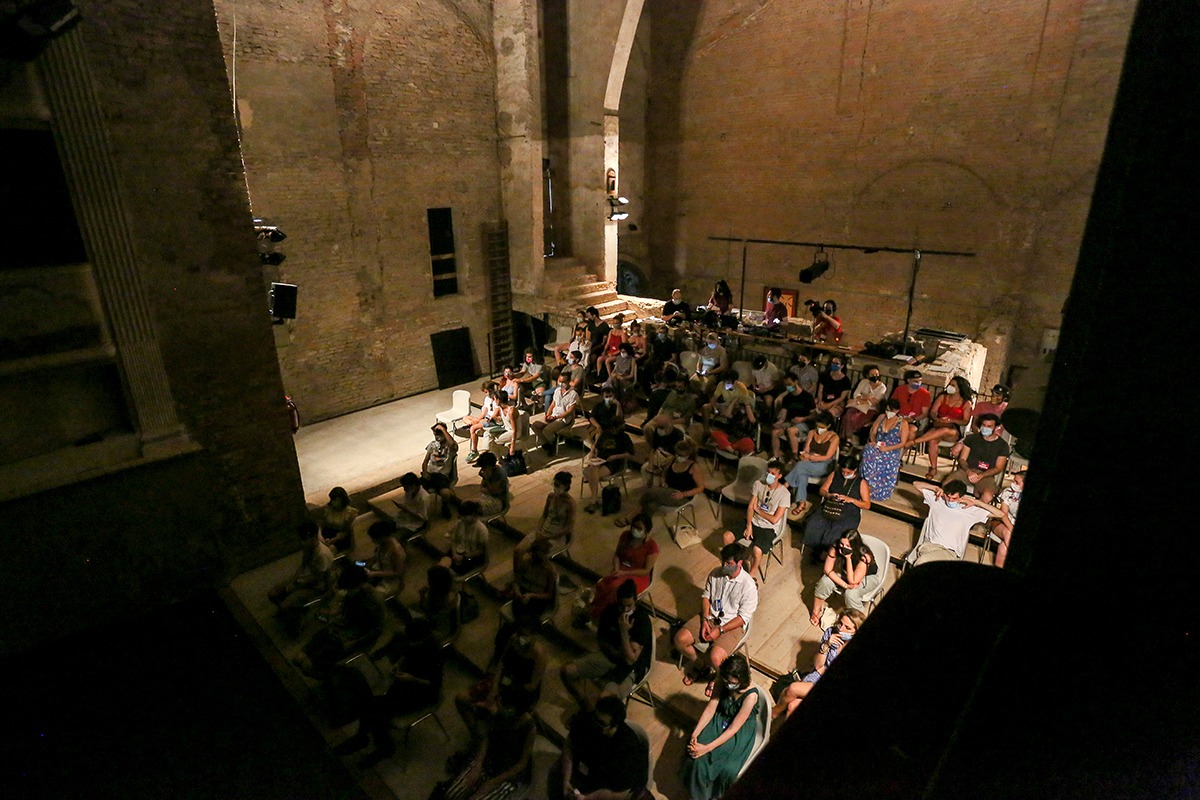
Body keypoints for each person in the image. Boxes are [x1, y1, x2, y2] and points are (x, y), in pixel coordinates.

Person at [333, 617, 445, 766]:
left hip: (422, 693)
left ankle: (374, 743)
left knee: (378, 711)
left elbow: (434, 684)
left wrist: (412, 678)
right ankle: (370, 741)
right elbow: (407, 654)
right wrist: (398, 664)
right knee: (374, 706)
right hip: (405, 686)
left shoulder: (435, 653)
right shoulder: (414, 642)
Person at [673, 543, 758, 688]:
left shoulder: (748, 586)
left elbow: (743, 618)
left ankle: (718, 676)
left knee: (716, 658)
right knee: (679, 639)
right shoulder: (715, 573)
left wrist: (720, 630)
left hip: (732, 625)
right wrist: (705, 620)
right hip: (711, 616)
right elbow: (706, 597)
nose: (724, 565)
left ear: (739, 563)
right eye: (723, 561)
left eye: (729, 563)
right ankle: (700, 665)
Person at [564, 579, 654, 710]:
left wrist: (623, 630)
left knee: (604, 700)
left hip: (632, 668)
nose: (625, 609)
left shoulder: (641, 620)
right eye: (622, 605)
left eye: (629, 606)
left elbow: (630, 660)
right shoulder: (610, 611)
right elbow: (601, 639)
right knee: (567, 671)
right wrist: (613, 652)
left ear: (635, 601)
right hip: (610, 656)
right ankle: (586, 707)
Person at [684, 653, 761, 800]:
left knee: (726, 769)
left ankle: (715, 794)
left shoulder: (751, 696)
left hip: (738, 730)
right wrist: (696, 732)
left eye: (731, 682)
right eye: (726, 681)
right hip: (721, 717)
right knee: (696, 754)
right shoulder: (722, 681)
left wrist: (707, 748)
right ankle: (699, 794)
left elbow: (733, 728)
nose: (728, 685)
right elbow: (711, 708)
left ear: (741, 679)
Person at [457, 617, 546, 738]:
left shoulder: (538, 655)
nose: (519, 637)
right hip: (503, 682)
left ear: (534, 634)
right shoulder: (514, 639)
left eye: (523, 634)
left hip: (520, 693)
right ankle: (478, 735)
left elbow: (532, 686)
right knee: (462, 698)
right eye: (519, 633)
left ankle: (489, 741)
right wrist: (494, 686)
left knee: (498, 717)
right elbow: (502, 663)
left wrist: (504, 688)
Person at [293, 564, 385, 680]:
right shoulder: (354, 591)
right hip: (337, 628)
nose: (347, 591)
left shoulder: (375, 603)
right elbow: (345, 607)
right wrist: (331, 613)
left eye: (349, 589)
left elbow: (376, 631)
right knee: (297, 659)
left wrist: (353, 643)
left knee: (307, 667)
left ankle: (332, 678)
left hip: (349, 638)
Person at [552, 695, 650, 800]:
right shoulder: (588, 720)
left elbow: (620, 792)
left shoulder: (628, 749)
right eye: (595, 718)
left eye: (601, 723)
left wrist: (586, 798)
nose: (594, 724)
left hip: (613, 787)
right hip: (592, 772)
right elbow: (569, 745)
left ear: (614, 726)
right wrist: (566, 780)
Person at [772, 610, 864, 720]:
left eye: (847, 628)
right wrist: (826, 645)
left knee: (793, 689)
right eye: (841, 623)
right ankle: (774, 715)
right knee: (792, 706)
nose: (841, 629)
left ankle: (773, 713)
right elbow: (818, 665)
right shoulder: (831, 633)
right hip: (819, 675)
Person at [441, 702, 537, 800]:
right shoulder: (501, 713)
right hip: (488, 763)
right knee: (451, 794)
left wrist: (492, 783)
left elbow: (522, 764)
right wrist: (477, 766)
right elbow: (486, 739)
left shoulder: (529, 728)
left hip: (506, 775)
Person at [907, 479, 1004, 565]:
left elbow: (1000, 514)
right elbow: (916, 484)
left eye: (954, 498)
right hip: (928, 546)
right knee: (924, 560)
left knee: (923, 562)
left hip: (949, 552)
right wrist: (935, 488)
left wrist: (977, 503)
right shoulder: (937, 500)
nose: (950, 500)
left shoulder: (970, 510)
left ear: (962, 497)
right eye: (948, 497)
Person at [616, 438, 705, 525]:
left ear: (689, 454)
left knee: (651, 491)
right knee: (651, 505)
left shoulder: (694, 467)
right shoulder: (673, 460)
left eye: (681, 455)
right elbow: (664, 473)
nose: (678, 456)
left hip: (681, 495)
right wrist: (663, 481)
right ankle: (644, 524)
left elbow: (701, 488)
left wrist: (683, 494)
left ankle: (633, 513)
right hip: (667, 489)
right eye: (677, 454)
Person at [722, 460, 789, 576]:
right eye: (768, 472)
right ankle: (733, 565)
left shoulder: (784, 494)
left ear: (779, 476)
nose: (769, 475)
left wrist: (757, 510)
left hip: (769, 527)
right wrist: (749, 525)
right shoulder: (758, 484)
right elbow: (750, 506)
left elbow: (774, 519)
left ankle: (752, 574)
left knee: (757, 550)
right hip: (753, 521)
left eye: (773, 473)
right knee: (727, 537)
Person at [587, 515, 660, 620]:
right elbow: (617, 555)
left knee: (614, 589)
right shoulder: (625, 536)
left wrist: (625, 573)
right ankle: (595, 608)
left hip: (638, 575)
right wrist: (616, 569)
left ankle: (598, 614)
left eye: (639, 528)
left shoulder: (651, 546)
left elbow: (646, 571)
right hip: (621, 570)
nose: (634, 530)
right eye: (633, 526)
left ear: (646, 531)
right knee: (603, 585)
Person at [804, 453, 872, 562]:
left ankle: (830, 554)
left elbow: (867, 504)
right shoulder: (834, 475)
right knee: (814, 523)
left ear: (854, 470)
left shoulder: (861, 482)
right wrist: (829, 495)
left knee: (837, 531)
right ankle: (817, 550)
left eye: (848, 472)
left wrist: (851, 500)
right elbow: (822, 490)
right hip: (831, 507)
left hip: (849, 512)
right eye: (843, 471)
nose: (845, 474)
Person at [268, 522, 333, 635]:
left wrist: (297, 583)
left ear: (313, 537)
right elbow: (303, 565)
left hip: (316, 586)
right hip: (304, 579)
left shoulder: (322, 555)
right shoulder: (308, 546)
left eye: (304, 538)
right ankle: (291, 613)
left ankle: (297, 620)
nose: (301, 541)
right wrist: (293, 580)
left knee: (285, 605)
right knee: (272, 594)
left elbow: (319, 578)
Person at [494, 538, 557, 655]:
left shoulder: (550, 571)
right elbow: (516, 581)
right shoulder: (527, 563)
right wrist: (517, 591)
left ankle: (509, 648)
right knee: (517, 622)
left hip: (537, 600)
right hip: (522, 596)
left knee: (518, 623)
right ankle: (504, 649)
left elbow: (549, 595)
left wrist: (532, 595)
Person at [911, 375, 975, 478]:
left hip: (953, 429)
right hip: (938, 425)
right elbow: (932, 412)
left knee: (945, 430)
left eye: (953, 385)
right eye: (950, 384)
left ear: (959, 388)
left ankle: (915, 441)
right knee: (933, 441)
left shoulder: (966, 403)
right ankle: (933, 468)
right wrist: (937, 419)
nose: (950, 386)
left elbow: (965, 421)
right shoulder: (943, 397)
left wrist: (952, 420)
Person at [809, 530, 879, 622]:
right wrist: (844, 585)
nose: (843, 548)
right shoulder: (835, 548)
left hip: (867, 578)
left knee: (851, 593)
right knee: (825, 581)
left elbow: (853, 581)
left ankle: (856, 620)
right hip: (844, 572)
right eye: (842, 544)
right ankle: (816, 610)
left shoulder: (865, 556)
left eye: (848, 546)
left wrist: (848, 558)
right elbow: (828, 570)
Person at [944, 413, 1011, 503]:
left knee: (987, 496)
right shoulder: (972, 439)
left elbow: (998, 468)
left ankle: (974, 514)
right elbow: (962, 459)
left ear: (996, 427)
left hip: (986, 474)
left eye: (989, 426)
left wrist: (981, 475)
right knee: (947, 484)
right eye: (984, 425)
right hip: (967, 470)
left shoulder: (1002, 445)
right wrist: (969, 471)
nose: (986, 428)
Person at [784, 411, 840, 515]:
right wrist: (805, 455)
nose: (819, 428)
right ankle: (801, 502)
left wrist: (815, 458)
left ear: (828, 426)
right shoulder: (812, 433)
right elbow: (807, 448)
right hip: (809, 462)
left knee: (800, 466)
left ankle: (785, 487)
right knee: (801, 474)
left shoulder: (834, 437)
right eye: (818, 426)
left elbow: (828, 456)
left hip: (824, 464)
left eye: (822, 426)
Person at [858, 398, 912, 500]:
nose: (888, 413)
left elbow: (903, 443)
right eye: (887, 410)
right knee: (868, 450)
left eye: (891, 411)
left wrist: (887, 448)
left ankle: (878, 489)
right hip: (877, 445)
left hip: (892, 449)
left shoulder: (902, 423)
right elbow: (873, 432)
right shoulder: (881, 417)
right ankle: (868, 484)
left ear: (897, 411)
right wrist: (873, 441)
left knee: (882, 457)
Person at [515, 472, 576, 561]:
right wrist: (538, 530)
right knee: (518, 551)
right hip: (543, 532)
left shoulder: (570, 504)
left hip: (556, 537)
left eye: (558, 485)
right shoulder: (551, 497)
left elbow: (569, 528)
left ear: (565, 486)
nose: (555, 488)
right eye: (554, 484)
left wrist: (548, 537)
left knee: (537, 556)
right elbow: (544, 516)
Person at [582, 427, 636, 514]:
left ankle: (593, 500)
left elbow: (630, 454)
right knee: (593, 469)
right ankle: (593, 500)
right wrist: (592, 452)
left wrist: (616, 457)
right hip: (600, 460)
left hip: (614, 463)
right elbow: (595, 447)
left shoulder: (624, 437)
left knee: (592, 473)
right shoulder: (605, 435)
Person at [770, 375, 817, 460]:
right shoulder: (787, 398)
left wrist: (803, 419)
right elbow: (783, 415)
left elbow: (814, 415)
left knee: (791, 430)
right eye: (786, 385)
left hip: (804, 423)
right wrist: (779, 423)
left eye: (789, 384)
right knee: (775, 432)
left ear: (796, 382)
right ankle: (776, 456)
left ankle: (794, 456)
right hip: (791, 423)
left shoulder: (807, 396)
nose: (788, 387)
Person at [839, 364, 888, 441]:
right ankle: (847, 439)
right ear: (867, 375)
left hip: (871, 409)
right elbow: (856, 395)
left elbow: (874, 401)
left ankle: (848, 440)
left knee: (855, 419)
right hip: (857, 405)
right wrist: (867, 398)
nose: (875, 376)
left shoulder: (882, 387)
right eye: (872, 374)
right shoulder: (863, 382)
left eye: (877, 374)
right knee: (847, 416)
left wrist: (861, 397)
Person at [641, 381, 696, 449]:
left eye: (680, 387)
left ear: (686, 386)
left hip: (677, 421)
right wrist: (658, 417)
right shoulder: (672, 394)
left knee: (674, 432)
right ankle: (653, 447)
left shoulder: (691, 401)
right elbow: (663, 407)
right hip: (664, 417)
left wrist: (670, 422)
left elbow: (685, 419)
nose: (678, 389)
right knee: (647, 428)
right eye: (676, 387)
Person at [441, 501, 489, 576]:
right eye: (461, 516)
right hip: (458, 552)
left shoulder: (481, 529)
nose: (462, 518)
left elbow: (481, 550)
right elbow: (454, 540)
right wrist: (454, 554)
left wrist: (463, 557)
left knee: (449, 573)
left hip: (471, 556)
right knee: (441, 567)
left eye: (464, 516)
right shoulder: (460, 523)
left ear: (473, 514)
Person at [531, 374, 579, 449]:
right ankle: (547, 442)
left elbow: (570, 411)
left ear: (568, 381)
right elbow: (552, 405)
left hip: (563, 419)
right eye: (559, 381)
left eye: (563, 382)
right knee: (535, 425)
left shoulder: (573, 394)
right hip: (553, 416)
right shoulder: (557, 391)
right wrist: (547, 415)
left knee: (547, 430)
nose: (561, 383)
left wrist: (556, 417)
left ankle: (553, 445)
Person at [990, 466, 1025, 568]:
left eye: (1017, 482)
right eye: (1014, 481)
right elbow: (1003, 514)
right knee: (1008, 533)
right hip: (1003, 524)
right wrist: (1011, 527)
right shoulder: (1007, 492)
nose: (1013, 484)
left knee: (1003, 548)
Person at [422, 423, 460, 517]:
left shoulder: (450, 447)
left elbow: (453, 444)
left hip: (442, 475)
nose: (437, 437)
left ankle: (445, 506)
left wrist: (443, 430)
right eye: (435, 434)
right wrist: (425, 472)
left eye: (439, 434)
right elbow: (425, 462)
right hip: (430, 474)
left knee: (445, 493)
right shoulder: (432, 445)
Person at [364, 519, 405, 599]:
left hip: (391, 581)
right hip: (378, 570)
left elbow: (397, 573)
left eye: (373, 539)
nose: (372, 541)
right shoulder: (382, 544)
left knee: (370, 596)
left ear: (382, 537)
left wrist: (374, 573)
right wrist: (362, 563)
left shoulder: (395, 550)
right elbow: (376, 559)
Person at [464, 382, 503, 463]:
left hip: (493, 420)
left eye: (489, 391)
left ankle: (474, 451)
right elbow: (483, 412)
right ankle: (473, 423)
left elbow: (495, 414)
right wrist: (477, 420)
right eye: (486, 392)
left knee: (473, 428)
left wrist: (476, 422)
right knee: (465, 418)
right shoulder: (487, 399)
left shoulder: (497, 399)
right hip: (485, 418)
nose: (488, 393)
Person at [318, 486, 357, 554]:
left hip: (340, 538)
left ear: (341, 499)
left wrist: (333, 540)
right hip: (327, 535)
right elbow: (321, 524)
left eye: (335, 500)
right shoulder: (328, 509)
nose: (332, 502)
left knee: (330, 550)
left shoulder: (350, 513)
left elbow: (346, 532)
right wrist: (321, 537)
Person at [471, 452, 510, 518]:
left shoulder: (498, 474)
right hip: (488, 498)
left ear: (490, 466)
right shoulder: (490, 471)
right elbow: (483, 489)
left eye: (484, 467)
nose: (482, 470)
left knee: (469, 507)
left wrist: (485, 478)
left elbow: (492, 491)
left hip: (497, 503)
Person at [815, 355, 852, 419]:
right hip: (823, 399)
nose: (833, 365)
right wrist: (820, 401)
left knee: (829, 414)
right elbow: (820, 391)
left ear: (842, 366)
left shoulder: (846, 380)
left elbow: (842, 397)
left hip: (836, 402)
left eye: (836, 363)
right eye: (832, 363)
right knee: (811, 408)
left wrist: (829, 405)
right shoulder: (825, 375)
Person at [595, 313, 627, 379]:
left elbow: (624, 346)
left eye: (617, 323)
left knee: (608, 361)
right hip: (610, 352)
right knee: (599, 359)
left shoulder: (623, 333)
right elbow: (608, 343)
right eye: (614, 323)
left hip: (618, 353)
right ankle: (599, 376)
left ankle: (610, 377)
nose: (615, 324)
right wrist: (604, 351)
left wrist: (614, 353)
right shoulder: (611, 332)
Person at [587, 307, 611, 373]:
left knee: (593, 354)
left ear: (594, 315)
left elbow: (605, 339)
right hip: (591, 344)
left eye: (589, 316)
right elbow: (588, 337)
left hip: (600, 345)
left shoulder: (604, 325)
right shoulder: (591, 325)